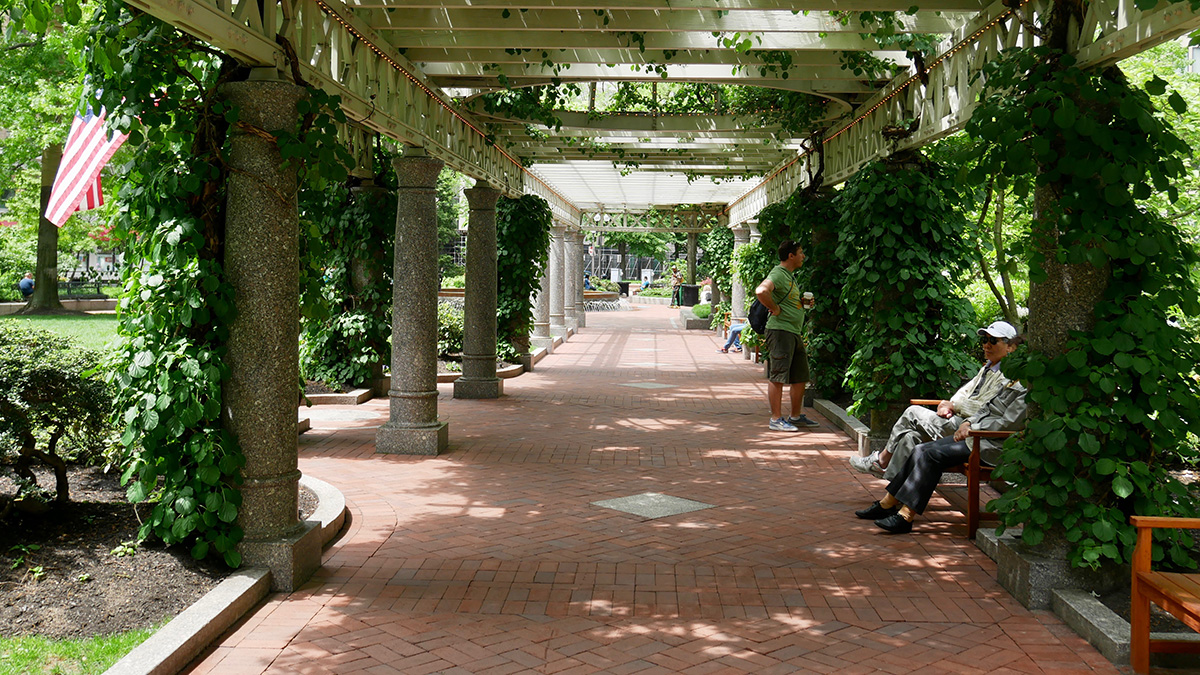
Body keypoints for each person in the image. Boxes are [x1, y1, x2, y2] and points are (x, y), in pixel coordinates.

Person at [854, 363, 1028, 534]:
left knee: (931, 456)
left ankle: (905, 516)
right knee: (920, 449)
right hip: (975, 436)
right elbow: (985, 408)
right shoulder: (1010, 381)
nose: (987, 345)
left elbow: (1008, 423)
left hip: (991, 445)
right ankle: (887, 503)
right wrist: (969, 422)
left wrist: (973, 427)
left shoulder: (1025, 388)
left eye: (993, 341)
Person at [849, 321, 1021, 479]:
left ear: (1010, 347)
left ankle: (882, 460)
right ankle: (892, 494)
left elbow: (983, 407)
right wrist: (949, 404)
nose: (986, 345)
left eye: (993, 340)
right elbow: (964, 392)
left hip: (971, 428)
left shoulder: (1007, 375)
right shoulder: (988, 367)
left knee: (912, 412)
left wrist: (953, 405)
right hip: (958, 420)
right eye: (984, 340)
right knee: (910, 436)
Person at [755, 239, 818, 432]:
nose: (803, 256)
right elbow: (761, 290)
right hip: (781, 331)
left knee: (800, 376)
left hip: (793, 332)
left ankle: (795, 416)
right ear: (791, 255)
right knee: (778, 375)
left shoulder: (790, 276)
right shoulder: (778, 273)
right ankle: (775, 419)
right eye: (800, 252)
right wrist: (774, 308)